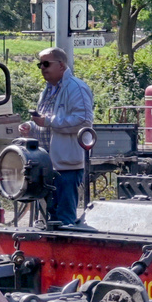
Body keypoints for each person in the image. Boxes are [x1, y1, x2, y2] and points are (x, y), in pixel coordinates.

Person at [18, 47, 94, 224]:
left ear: (61, 65)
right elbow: (45, 120)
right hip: (46, 164)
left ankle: (67, 247)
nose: (42, 68)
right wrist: (30, 126)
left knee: (64, 217)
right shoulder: (47, 90)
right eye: (40, 64)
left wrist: (47, 121)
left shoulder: (77, 88)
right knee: (47, 218)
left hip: (66, 166)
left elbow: (83, 121)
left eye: (46, 63)